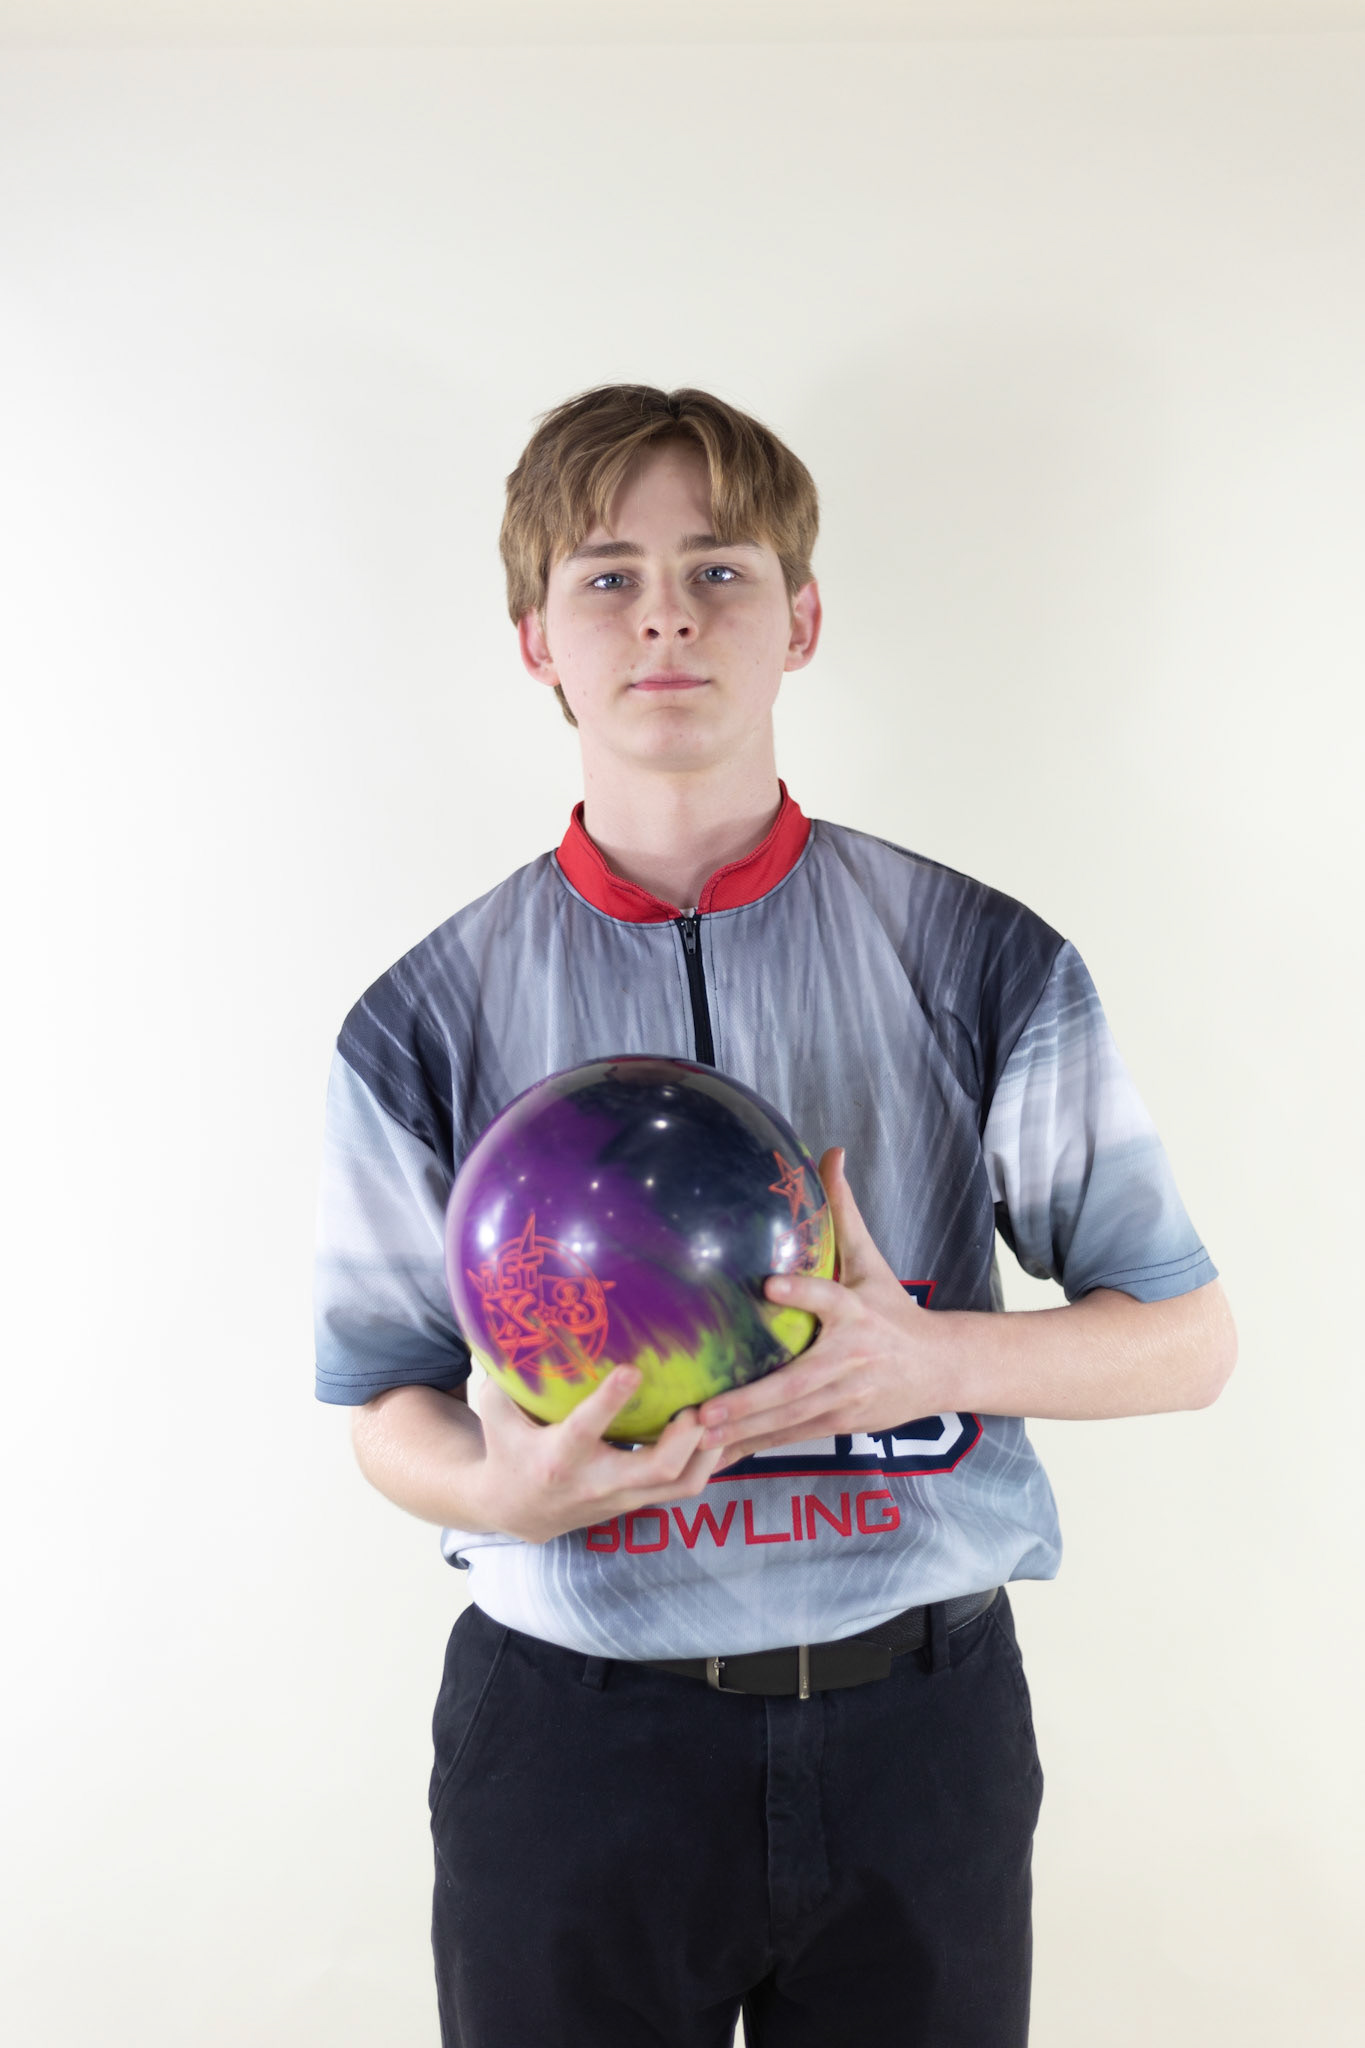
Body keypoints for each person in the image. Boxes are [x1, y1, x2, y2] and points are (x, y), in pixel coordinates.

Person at [314, 384, 1235, 2048]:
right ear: (535, 641)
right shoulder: (421, 1015)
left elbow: (1186, 1343)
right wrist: (497, 1486)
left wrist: (926, 1358)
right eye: (605, 575)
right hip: (572, 1750)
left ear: (799, 618)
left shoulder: (978, 957)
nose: (664, 611)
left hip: (917, 1736)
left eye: (717, 569)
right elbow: (383, 1396)